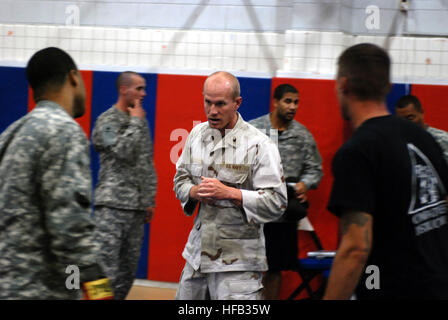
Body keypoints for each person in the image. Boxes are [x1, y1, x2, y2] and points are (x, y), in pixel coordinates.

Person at [323, 43, 448, 300]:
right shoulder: (425, 139)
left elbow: (356, 248)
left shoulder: (357, 152)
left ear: (343, 85)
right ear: (387, 87)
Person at [0, 47, 111, 299]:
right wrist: (100, 290)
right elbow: (70, 225)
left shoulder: (11, 133)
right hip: (42, 289)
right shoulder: (63, 131)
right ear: (73, 77)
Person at [173, 71, 288, 300]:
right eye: (208, 102)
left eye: (220, 104)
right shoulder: (196, 135)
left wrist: (232, 194)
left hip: (238, 264)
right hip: (197, 258)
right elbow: (180, 180)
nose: (212, 111)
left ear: (237, 103)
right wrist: (194, 192)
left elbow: (277, 202)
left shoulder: (259, 145)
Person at [249, 84, 323, 299]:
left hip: (283, 215)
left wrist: (305, 184)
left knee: (275, 269)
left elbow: (315, 169)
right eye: (287, 101)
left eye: (296, 102)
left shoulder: (301, 135)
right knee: (247, 268)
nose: (292, 107)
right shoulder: (254, 130)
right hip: (254, 212)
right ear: (275, 102)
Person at [92, 71, 157, 300]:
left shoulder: (140, 120)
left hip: (136, 209)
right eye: (138, 88)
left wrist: (149, 199)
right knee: (103, 271)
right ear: (123, 89)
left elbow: (146, 161)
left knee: (126, 273)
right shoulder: (107, 121)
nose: (143, 93)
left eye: (143, 88)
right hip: (112, 207)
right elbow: (122, 151)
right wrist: (136, 121)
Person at [395, 94, 448, 164]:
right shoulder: (398, 142)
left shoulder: (442, 138)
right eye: (401, 120)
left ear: (421, 112)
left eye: (410, 118)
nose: (406, 123)